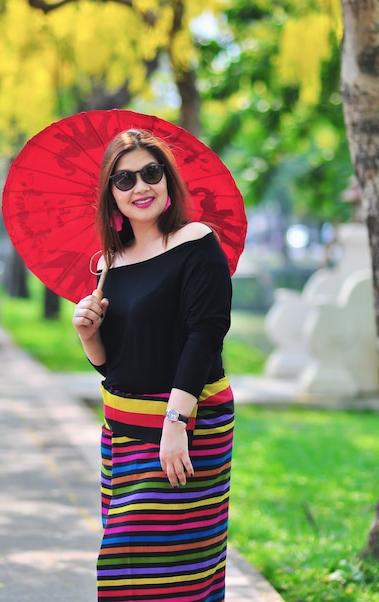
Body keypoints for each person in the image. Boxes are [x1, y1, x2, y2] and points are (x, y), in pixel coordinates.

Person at [72, 128, 235, 601]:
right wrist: (88, 336)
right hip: (122, 430)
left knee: (178, 563)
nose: (140, 187)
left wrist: (176, 421)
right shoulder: (107, 264)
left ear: (167, 181)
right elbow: (114, 364)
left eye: (150, 173)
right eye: (124, 180)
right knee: (124, 563)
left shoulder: (196, 241)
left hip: (186, 421)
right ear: (111, 194)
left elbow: (205, 334)